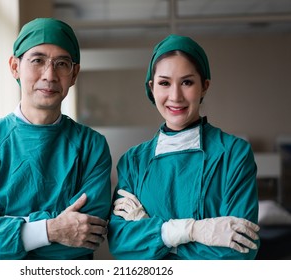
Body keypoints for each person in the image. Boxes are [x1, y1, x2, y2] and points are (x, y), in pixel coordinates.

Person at [0, 18, 112, 260]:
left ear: (74, 74)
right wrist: (52, 229)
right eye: (37, 60)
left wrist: (5, 230)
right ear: (15, 66)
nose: (50, 75)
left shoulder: (91, 147)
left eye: (62, 63)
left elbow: (86, 236)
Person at [107, 34, 260, 260]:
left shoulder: (233, 154)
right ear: (152, 87)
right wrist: (193, 232)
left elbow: (240, 252)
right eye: (164, 83)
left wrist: (152, 232)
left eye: (187, 82)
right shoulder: (133, 162)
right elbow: (121, 243)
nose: (175, 96)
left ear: (204, 87)